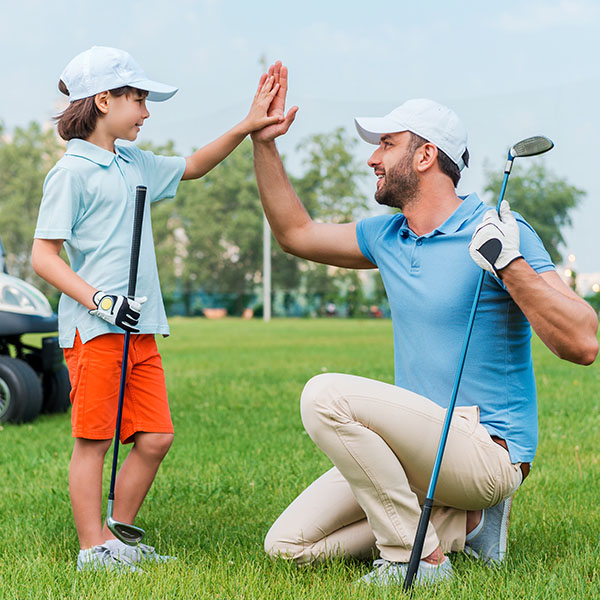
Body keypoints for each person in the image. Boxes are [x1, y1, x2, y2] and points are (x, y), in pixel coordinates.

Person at [251, 62, 598, 586]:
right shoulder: (386, 236)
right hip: (418, 449)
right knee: (287, 546)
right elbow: (296, 234)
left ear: (425, 155)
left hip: (487, 450)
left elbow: (583, 341)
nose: (372, 158)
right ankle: (457, 526)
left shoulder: (500, 229)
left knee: (325, 396)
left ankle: (418, 561)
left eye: (386, 145)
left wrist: (508, 263)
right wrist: (264, 143)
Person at [31, 46, 284, 572]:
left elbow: (193, 166)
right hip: (95, 329)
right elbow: (43, 257)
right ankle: (92, 549)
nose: (146, 112)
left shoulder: (135, 162)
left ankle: (117, 539)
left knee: (156, 436)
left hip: (139, 327)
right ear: (104, 100)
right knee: (94, 442)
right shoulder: (71, 172)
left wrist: (245, 126)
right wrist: (99, 299)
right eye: (139, 100)